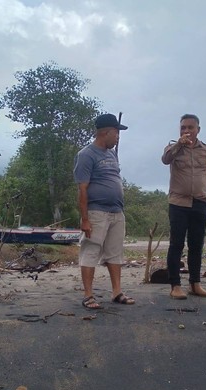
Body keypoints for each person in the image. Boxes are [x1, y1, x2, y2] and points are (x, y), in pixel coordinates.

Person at [73, 113, 135, 309]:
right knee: (90, 250)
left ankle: (117, 292)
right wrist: (85, 219)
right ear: (106, 132)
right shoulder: (86, 155)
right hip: (96, 212)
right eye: (116, 133)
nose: (118, 137)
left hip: (117, 211)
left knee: (115, 253)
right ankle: (88, 295)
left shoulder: (111, 154)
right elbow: (82, 189)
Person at [161, 114, 206, 300]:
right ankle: (175, 285)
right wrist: (179, 144)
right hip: (178, 203)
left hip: (200, 202)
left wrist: (199, 188)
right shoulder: (173, 148)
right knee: (176, 244)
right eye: (183, 127)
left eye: (190, 127)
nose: (186, 131)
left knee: (196, 245)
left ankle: (195, 283)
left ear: (198, 130)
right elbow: (165, 159)